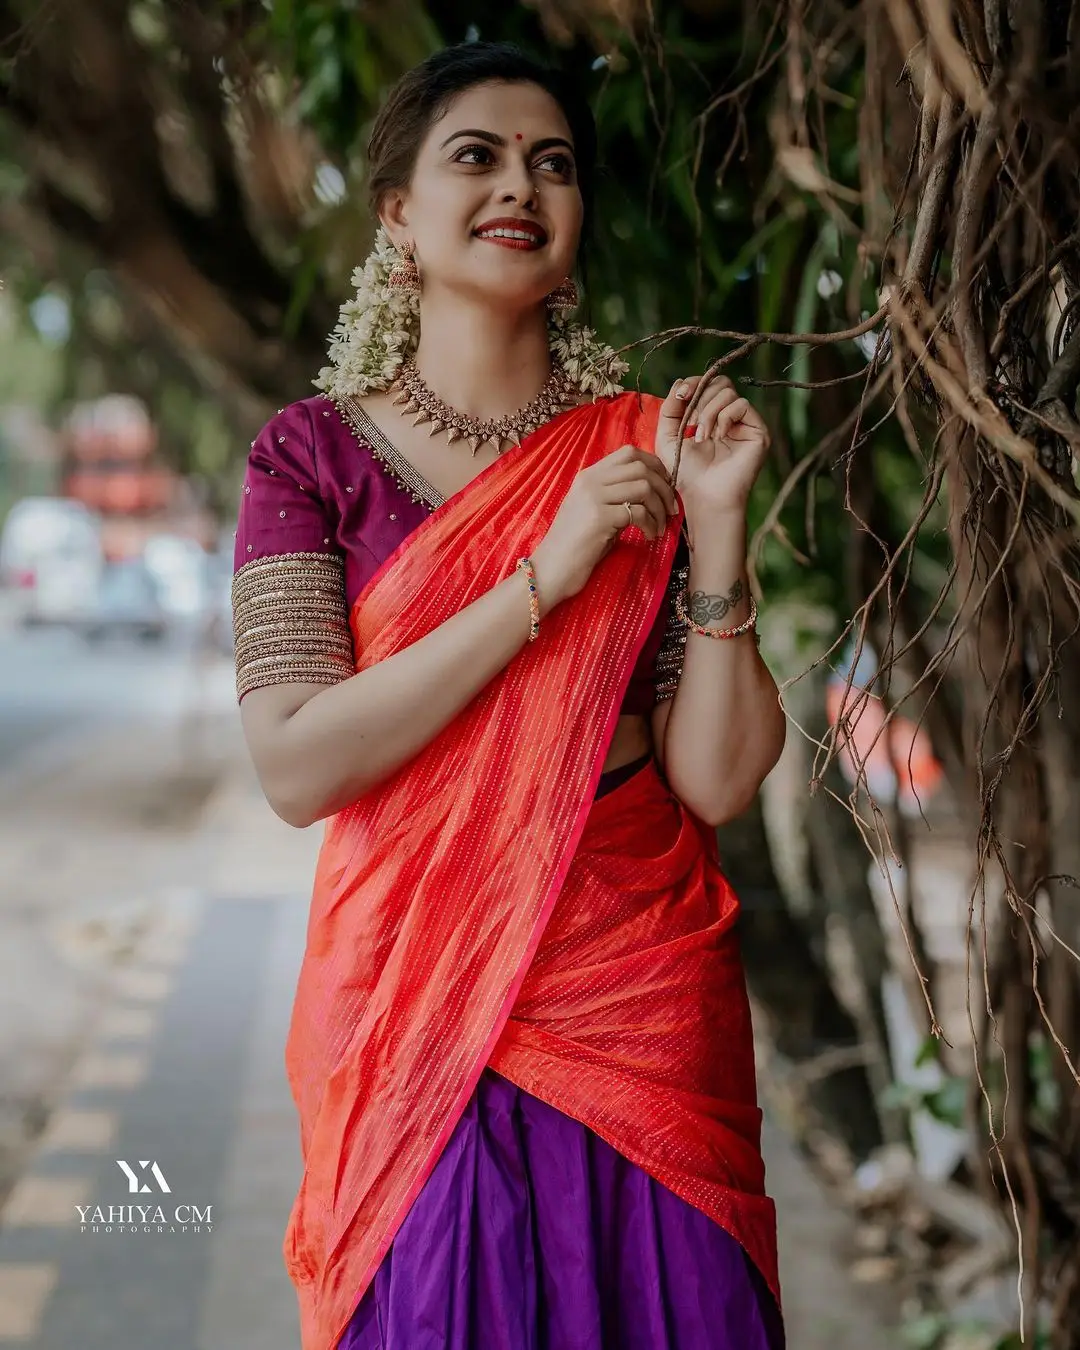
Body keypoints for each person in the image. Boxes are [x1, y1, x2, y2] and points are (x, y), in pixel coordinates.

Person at [231, 39, 788, 1350]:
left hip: (640, 976)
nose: (518, 186)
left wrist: (715, 530)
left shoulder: (648, 448)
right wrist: (543, 579)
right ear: (398, 216)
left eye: (552, 164)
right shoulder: (310, 458)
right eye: (473, 156)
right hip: (414, 990)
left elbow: (715, 777)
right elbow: (299, 765)